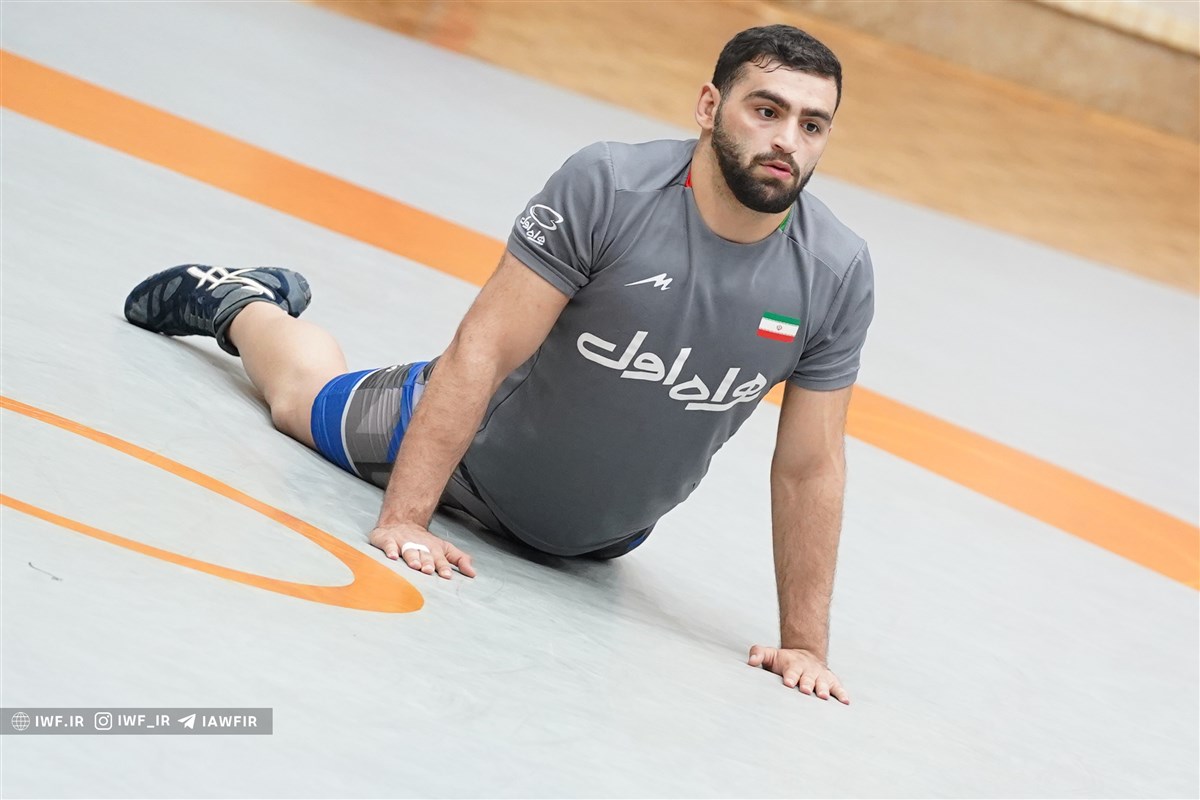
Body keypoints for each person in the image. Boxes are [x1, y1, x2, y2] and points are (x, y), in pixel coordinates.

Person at [123, 25, 873, 704]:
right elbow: (485, 346)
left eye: (812, 125)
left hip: (602, 536)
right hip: (463, 460)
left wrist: (805, 646)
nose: (788, 141)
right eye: (766, 111)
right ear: (710, 106)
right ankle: (240, 301)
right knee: (298, 398)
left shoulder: (835, 272)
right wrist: (406, 519)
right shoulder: (610, 188)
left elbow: (810, 466)